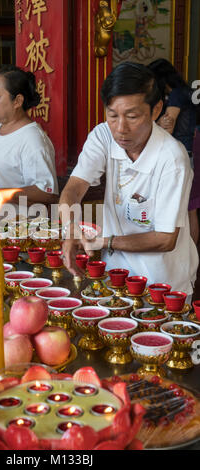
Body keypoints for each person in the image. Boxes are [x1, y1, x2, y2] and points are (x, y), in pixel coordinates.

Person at [59, 62, 198, 298]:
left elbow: (165, 239)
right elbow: (73, 189)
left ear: (156, 111)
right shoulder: (103, 135)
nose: (121, 128)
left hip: (163, 286)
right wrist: (71, 229)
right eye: (113, 115)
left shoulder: (172, 158)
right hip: (114, 276)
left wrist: (103, 242)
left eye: (132, 116)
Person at [0, 65, 59, 220]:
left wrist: (0, 195)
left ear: (17, 101)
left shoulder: (32, 139)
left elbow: (47, 193)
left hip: (15, 231)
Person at [148, 58, 199, 244]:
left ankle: (187, 251)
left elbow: (168, 126)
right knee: (190, 208)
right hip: (190, 152)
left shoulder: (177, 95)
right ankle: (193, 253)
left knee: (183, 208)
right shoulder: (186, 92)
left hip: (180, 156)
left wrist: (155, 125)